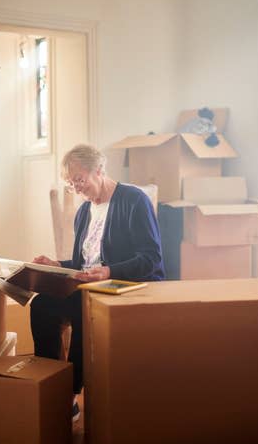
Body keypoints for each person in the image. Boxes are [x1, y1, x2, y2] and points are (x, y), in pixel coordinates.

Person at [30, 143, 164, 420]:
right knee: (41, 304)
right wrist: (57, 266)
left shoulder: (133, 200)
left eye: (79, 180)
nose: (76, 189)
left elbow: (151, 259)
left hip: (127, 287)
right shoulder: (84, 212)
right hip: (93, 285)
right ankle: (50, 382)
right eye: (70, 183)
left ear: (100, 170)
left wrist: (109, 271)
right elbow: (82, 266)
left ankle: (69, 395)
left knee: (81, 306)